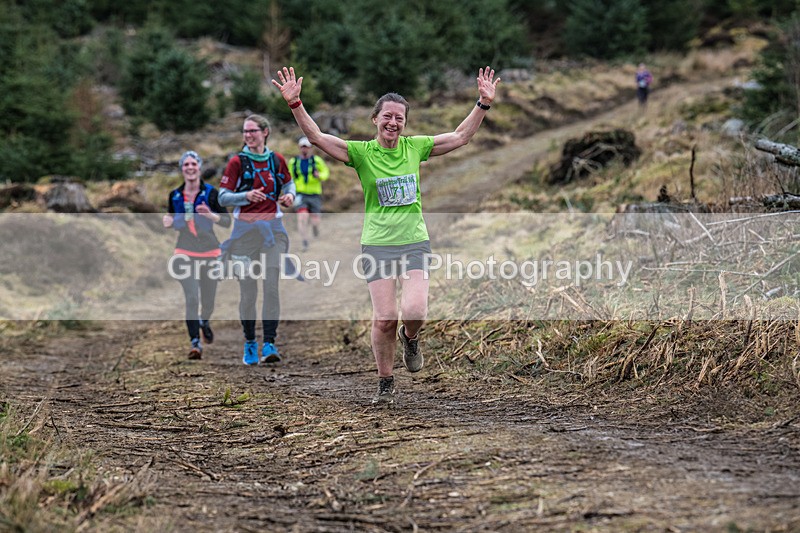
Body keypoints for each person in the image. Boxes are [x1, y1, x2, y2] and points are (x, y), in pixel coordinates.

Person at [272, 65, 500, 405]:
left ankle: (412, 339)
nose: (393, 123)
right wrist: (296, 105)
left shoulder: (415, 148)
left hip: (414, 241)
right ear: (375, 119)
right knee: (383, 318)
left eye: (400, 118)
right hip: (377, 244)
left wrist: (482, 104)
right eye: (387, 117)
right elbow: (319, 138)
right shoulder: (362, 154)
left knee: (415, 310)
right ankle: (386, 382)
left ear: (405, 124)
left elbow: (459, 137)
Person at [218, 114, 296, 366]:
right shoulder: (237, 162)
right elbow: (222, 197)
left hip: (273, 232)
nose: (248, 135)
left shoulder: (276, 160)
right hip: (244, 235)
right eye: (245, 131)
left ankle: (270, 343)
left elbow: (289, 185)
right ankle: (250, 341)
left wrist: (289, 197)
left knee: (271, 286)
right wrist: (244, 196)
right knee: (248, 291)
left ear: (265, 132)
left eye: (252, 131)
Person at [163, 150, 231, 360]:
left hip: (210, 251)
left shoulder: (212, 193)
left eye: (194, 164)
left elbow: (227, 222)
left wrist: (211, 215)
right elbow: (173, 220)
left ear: (199, 168)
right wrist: (168, 223)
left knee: (208, 299)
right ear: (182, 169)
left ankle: (204, 321)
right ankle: (195, 343)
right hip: (184, 251)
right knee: (192, 297)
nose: (190, 168)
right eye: (186, 165)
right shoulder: (174, 195)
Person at [288, 136, 330, 251]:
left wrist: (319, 176)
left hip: (314, 194)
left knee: (315, 220)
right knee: (302, 218)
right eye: (302, 147)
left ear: (310, 148)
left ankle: (315, 227)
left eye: (306, 147)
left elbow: (326, 173)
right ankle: (304, 241)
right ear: (299, 148)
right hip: (300, 194)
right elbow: (289, 178)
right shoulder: (294, 162)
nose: (304, 149)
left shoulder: (317, 161)